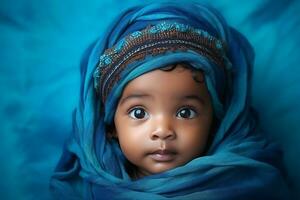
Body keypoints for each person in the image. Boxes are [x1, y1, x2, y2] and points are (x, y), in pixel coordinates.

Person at [50, 2, 290, 199]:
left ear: (216, 120)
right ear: (111, 124)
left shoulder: (248, 180)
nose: (163, 131)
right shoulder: (85, 188)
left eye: (185, 112)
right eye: (138, 112)